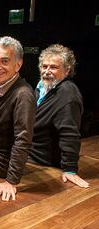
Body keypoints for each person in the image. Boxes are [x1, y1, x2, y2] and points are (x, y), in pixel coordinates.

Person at [0, 36, 36, 201]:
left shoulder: (23, 95)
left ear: (18, 64)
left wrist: (11, 181)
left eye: (4, 61)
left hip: (0, 160)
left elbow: (23, 140)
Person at [29, 44, 89, 188]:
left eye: (53, 67)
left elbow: (69, 133)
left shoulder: (68, 94)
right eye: (44, 66)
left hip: (41, 161)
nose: (47, 71)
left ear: (67, 70)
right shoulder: (43, 86)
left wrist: (70, 168)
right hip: (29, 153)